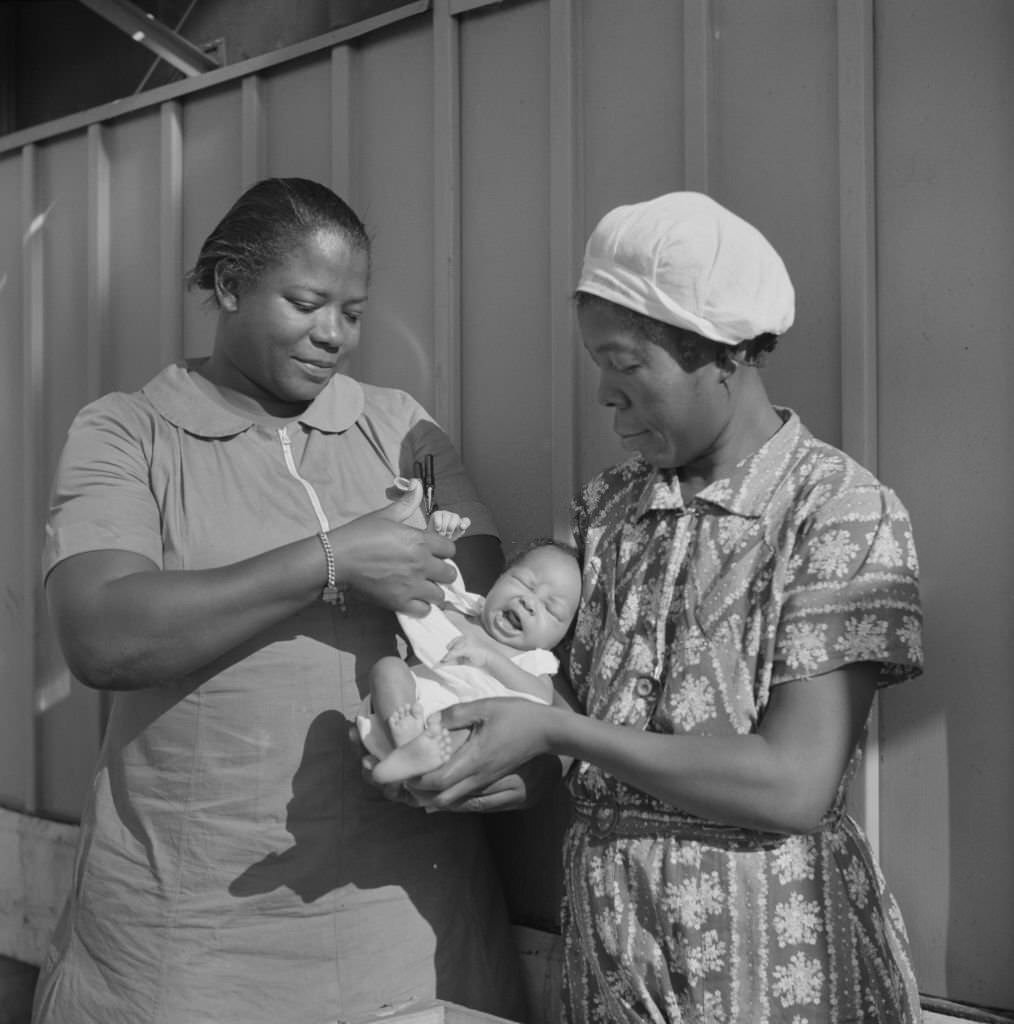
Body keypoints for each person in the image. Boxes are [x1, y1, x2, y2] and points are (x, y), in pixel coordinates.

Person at [415, 192, 924, 1023]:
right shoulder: (609, 509)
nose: (605, 398)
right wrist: (491, 754)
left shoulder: (836, 511)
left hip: (772, 969)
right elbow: (578, 720)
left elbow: (794, 783)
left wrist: (556, 732)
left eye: (625, 364)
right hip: (615, 962)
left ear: (720, 352)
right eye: (597, 368)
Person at [31, 177, 528, 1024]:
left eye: (354, 312)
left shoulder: (400, 429)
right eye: (307, 303)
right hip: (190, 944)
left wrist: (501, 754)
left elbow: (492, 628)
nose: (333, 335)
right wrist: (332, 559)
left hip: (407, 931)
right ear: (229, 286)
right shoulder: (128, 433)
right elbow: (102, 634)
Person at [359, 527, 581, 785]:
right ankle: (407, 747)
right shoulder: (460, 609)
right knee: (388, 668)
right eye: (524, 583)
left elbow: (541, 698)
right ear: (499, 579)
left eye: (551, 608)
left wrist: (490, 659)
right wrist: (440, 538)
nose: (529, 602)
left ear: (560, 639)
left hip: (454, 734)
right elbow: (430, 583)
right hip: (409, 712)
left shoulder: (532, 661)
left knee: (475, 734)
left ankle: (418, 755)